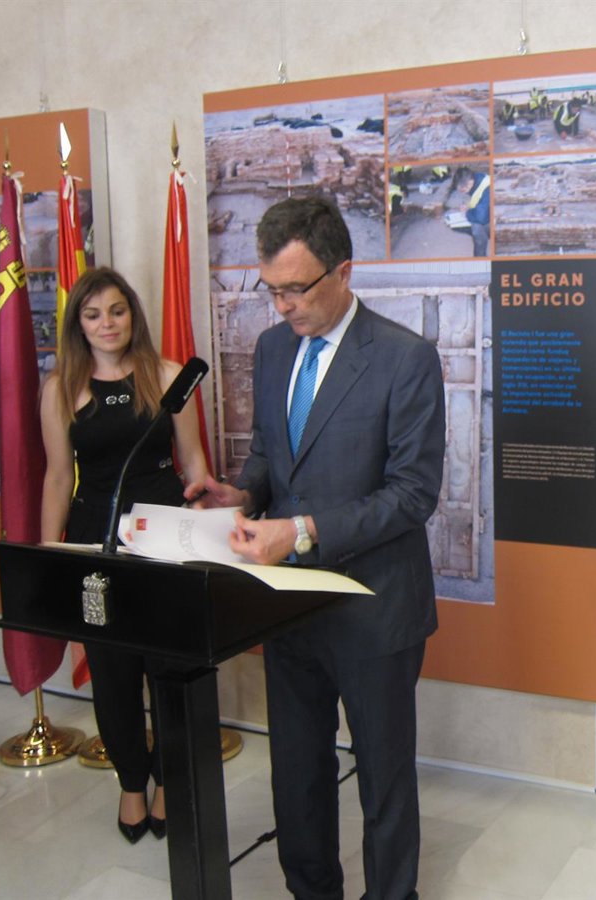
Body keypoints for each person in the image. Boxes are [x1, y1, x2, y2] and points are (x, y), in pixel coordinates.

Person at [190, 196, 445, 900]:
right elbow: (272, 456)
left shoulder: (405, 358)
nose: (282, 307)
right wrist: (241, 495)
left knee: (383, 779)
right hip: (288, 606)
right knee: (297, 775)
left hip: (374, 609)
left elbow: (412, 495)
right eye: (271, 289)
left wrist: (300, 531)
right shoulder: (273, 350)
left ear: (344, 272)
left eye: (296, 289)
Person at [39, 267, 209, 843]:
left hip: (163, 537)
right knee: (111, 671)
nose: (107, 324)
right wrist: (52, 556)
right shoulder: (60, 388)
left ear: (132, 315)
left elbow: (193, 462)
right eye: (93, 315)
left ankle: (167, 779)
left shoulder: (168, 376)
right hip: (96, 542)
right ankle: (132, 781)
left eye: (116, 311)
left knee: (166, 667)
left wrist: (203, 528)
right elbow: (57, 478)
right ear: (78, 324)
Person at [451, 167, 491, 257]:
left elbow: (481, 218)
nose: (463, 193)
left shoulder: (487, 188)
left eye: (463, 190)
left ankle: (480, 258)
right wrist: (469, 206)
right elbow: (479, 200)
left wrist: (467, 213)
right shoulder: (477, 178)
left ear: (469, 183)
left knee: (477, 228)